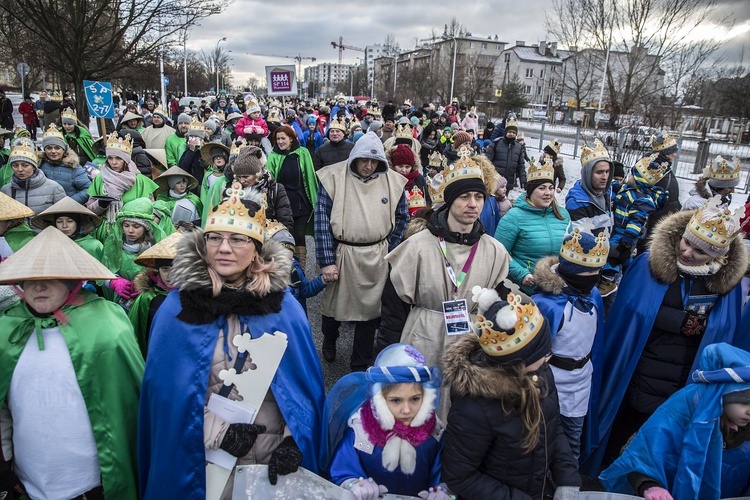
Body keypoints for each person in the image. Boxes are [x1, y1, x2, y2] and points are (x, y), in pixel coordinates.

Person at [138, 182, 325, 498]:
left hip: (271, 457)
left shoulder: (285, 307)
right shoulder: (177, 311)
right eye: (215, 238)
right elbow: (169, 398)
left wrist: (294, 440)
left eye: (238, 239)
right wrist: (218, 432)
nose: (224, 248)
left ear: (256, 250)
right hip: (205, 463)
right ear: (203, 245)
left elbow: (301, 389)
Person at [582, 197, 749, 476]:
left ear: (717, 257)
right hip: (640, 369)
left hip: (684, 377)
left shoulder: (725, 284)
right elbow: (632, 310)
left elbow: (725, 333)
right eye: (686, 242)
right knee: (624, 430)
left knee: (664, 439)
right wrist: (681, 321)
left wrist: (705, 327)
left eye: (700, 251)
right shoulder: (650, 264)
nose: (687, 252)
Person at [0, 226, 143, 499]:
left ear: (72, 281)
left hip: (90, 483)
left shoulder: (107, 326)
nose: (39, 286)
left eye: (51, 278)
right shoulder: (6, 329)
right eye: (29, 279)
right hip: (26, 481)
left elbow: (127, 405)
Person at [379, 156, 511, 416]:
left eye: (478, 196)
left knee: (463, 417)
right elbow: (393, 308)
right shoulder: (418, 246)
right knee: (417, 412)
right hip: (422, 338)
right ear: (450, 201)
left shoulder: (494, 250)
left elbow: (499, 305)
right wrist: (389, 355)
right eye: (464, 197)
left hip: (470, 343)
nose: (473, 204)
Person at [441, 290, 581, 499]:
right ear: (518, 363)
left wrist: (567, 476)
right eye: (542, 352)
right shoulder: (475, 407)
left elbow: (552, 425)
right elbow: (459, 477)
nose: (548, 357)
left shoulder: (540, 372)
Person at [600, 343, 750, 499]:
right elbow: (639, 456)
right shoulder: (678, 413)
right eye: (743, 402)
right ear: (720, 396)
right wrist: (649, 485)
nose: (749, 410)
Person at [315, 131, 408, 370]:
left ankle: (360, 364)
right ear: (355, 157)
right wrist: (327, 260)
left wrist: (391, 250)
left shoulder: (394, 182)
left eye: (374, 161)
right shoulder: (333, 177)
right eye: (364, 160)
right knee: (333, 308)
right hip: (343, 253)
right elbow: (322, 222)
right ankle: (330, 337)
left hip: (377, 254)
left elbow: (402, 218)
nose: (369, 166)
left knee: (370, 312)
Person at [324, 344, 450, 499]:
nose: (406, 410)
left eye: (415, 399)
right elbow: (342, 468)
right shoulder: (361, 431)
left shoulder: (434, 432)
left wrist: (442, 491)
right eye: (396, 400)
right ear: (379, 399)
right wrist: (354, 484)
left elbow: (446, 473)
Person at [532, 228, 608, 461]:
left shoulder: (593, 295)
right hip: (549, 382)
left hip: (581, 382)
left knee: (571, 444)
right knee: (541, 442)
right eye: (587, 274)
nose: (593, 279)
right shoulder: (545, 304)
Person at [494, 157, 571, 294]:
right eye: (541, 188)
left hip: (560, 289)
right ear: (530, 191)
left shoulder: (563, 215)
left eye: (551, 188)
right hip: (525, 290)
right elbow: (499, 253)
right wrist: (521, 274)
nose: (548, 193)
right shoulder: (513, 217)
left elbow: (570, 250)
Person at [86, 132, 159, 239]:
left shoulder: (141, 181)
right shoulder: (99, 178)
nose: (114, 162)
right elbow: (90, 210)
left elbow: (150, 209)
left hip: (131, 233)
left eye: (118, 158)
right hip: (106, 232)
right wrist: (101, 204)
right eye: (110, 158)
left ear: (126, 160)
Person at [606, 153, 669, 274]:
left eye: (631, 175)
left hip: (625, 233)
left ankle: (608, 278)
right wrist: (612, 184)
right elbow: (619, 188)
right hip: (620, 229)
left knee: (614, 253)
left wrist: (628, 239)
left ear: (639, 180)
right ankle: (628, 270)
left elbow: (637, 221)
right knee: (623, 256)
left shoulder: (643, 200)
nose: (628, 177)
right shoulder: (630, 189)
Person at [101, 197, 168, 309]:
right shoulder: (114, 245)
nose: (130, 231)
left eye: (136, 226)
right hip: (120, 301)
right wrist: (113, 282)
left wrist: (149, 285)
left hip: (148, 302)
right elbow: (102, 271)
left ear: (146, 228)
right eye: (126, 225)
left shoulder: (157, 247)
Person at [266, 125, 317, 267]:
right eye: (278, 139)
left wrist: (314, 200)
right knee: (287, 235)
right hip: (283, 203)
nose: (280, 142)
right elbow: (270, 180)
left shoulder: (303, 152)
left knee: (300, 235)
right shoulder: (273, 155)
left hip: (301, 202)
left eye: (283, 138)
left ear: (291, 139)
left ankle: (301, 269)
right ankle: (287, 268)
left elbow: (310, 177)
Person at [128, 230, 184, 357]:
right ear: (157, 270)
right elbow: (136, 332)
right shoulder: (147, 298)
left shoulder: (195, 297)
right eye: (165, 269)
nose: (170, 275)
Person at [266, 220, 327, 313]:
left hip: (295, 317)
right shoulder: (264, 274)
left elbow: (306, 290)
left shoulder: (295, 270)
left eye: (289, 255)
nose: (287, 261)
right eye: (282, 255)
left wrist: (322, 280)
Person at [636, 131, 681, 254]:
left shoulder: (660, 167)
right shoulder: (654, 170)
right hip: (653, 229)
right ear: (666, 153)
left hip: (660, 224)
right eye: (673, 152)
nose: (675, 155)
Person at [1, 138, 65, 215]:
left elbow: (63, 217)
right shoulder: (5, 190)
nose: (20, 169)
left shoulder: (54, 188)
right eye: (15, 165)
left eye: (25, 165)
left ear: (34, 167)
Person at [31, 196, 104, 261]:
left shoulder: (92, 245)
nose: (64, 226)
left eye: (70, 221)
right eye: (59, 221)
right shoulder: (48, 245)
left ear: (78, 223)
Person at [39, 123, 91, 204]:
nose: (53, 151)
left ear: (63, 150)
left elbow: (88, 189)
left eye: (57, 148)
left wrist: (69, 202)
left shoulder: (73, 166)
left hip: (67, 210)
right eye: (49, 148)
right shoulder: (39, 165)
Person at [485, 116, 526, 189]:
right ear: (506, 132)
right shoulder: (496, 144)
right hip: (496, 180)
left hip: (509, 182)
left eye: (513, 132)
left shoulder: (518, 147)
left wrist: (523, 180)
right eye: (509, 132)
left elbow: (521, 165)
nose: (511, 134)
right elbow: (487, 161)